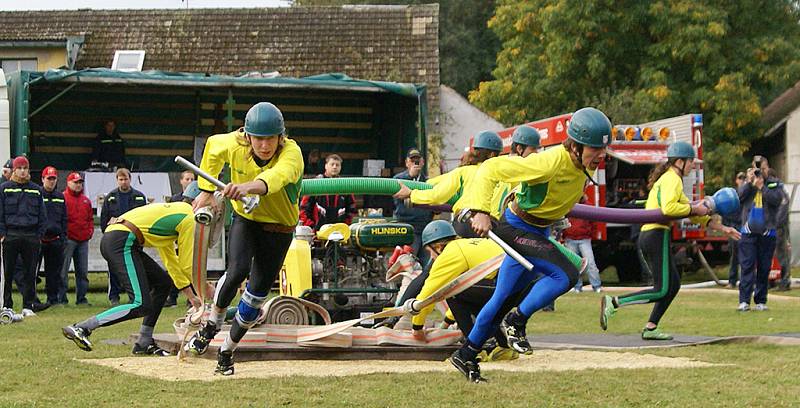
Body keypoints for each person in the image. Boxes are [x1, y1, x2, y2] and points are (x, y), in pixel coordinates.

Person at [449, 108, 609, 382]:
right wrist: (480, 210)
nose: (601, 155)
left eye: (603, 148)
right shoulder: (547, 162)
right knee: (566, 274)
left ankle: (466, 355)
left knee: (501, 300)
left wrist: (558, 218)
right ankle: (516, 321)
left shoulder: (582, 165)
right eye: (595, 149)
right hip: (517, 227)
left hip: (539, 229)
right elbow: (491, 168)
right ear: (575, 145)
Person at [186, 102, 303, 376]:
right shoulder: (233, 143)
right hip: (246, 220)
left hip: (279, 229)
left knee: (257, 295)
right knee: (237, 270)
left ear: (280, 137)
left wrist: (246, 187)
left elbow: (276, 178)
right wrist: (205, 190)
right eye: (258, 138)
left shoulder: (292, 153)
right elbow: (213, 148)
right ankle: (211, 324)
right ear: (247, 136)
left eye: (270, 139)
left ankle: (227, 350)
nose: (264, 145)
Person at [600, 142, 740, 338]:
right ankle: (614, 302)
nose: (692, 166)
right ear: (680, 161)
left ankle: (651, 327)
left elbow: (692, 214)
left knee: (673, 285)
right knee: (661, 289)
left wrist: (722, 228)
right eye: (691, 161)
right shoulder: (672, 179)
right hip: (656, 234)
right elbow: (669, 209)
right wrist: (694, 208)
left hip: (652, 235)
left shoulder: (671, 179)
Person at [62, 183, 205, 355]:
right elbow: (187, 264)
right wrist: (205, 288)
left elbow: (172, 263)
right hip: (122, 241)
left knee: (162, 283)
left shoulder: (174, 213)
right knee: (140, 303)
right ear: (199, 201)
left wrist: (191, 296)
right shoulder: (189, 217)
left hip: (119, 239)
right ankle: (82, 328)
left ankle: (144, 341)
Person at [394, 131, 503, 238]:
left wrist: (412, 194)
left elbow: (437, 194)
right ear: (493, 154)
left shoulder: (463, 171)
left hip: (465, 223)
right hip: (491, 228)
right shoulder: (504, 176)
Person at [0, 156, 49, 313]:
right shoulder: (4, 188)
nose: (22, 171)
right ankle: (7, 304)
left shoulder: (36, 190)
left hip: (31, 236)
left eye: (25, 168)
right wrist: (2, 234)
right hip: (11, 234)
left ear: (29, 170)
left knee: (30, 273)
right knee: (7, 272)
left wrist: (39, 235)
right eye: (19, 168)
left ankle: (28, 305)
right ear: (14, 170)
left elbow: (43, 215)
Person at [736, 156, 784, 311]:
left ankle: (761, 301)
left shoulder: (774, 183)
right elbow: (739, 197)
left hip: (767, 231)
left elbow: (777, 199)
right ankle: (744, 301)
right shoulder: (748, 183)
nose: (759, 171)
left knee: (764, 268)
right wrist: (750, 183)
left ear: (767, 168)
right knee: (747, 266)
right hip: (748, 231)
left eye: (762, 168)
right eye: (756, 168)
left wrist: (762, 187)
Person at [100, 168, 147, 306]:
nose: (123, 182)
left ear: (130, 179)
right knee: (114, 268)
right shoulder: (111, 197)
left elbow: (144, 217)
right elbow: (104, 220)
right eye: (120, 179)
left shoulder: (139, 196)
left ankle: (135, 296)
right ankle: (114, 296)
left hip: (134, 238)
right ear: (117, 180)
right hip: (116, 240)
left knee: (135, 268)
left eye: (125, 179)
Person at [392, 148, 434, 266]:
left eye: (418, 160)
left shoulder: (428, 181)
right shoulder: (398, 180)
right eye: (412, 160)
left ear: (423, 162)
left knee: (427, 265)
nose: (415, 163)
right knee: (407, 264)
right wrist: (411, 177)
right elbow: (397, 201)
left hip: (426, 228)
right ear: (407, 163)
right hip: (408, 228)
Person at [58, 172, 94, 306]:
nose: (78, 185)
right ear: (68, 183)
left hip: (83, 240)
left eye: (80, 182)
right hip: (68, 239)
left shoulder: (86, 200)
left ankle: (82, 298)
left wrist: (89, 232)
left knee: (82, 271)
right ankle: (61, 298)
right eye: (75, 182)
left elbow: (90, 219)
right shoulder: (63, 198)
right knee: (63, 271)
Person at [299, 154, 357, 231]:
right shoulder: (315, 183)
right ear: (326, 166)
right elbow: (303, 208)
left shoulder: (345, 185)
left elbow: (352, 208)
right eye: (332, 164)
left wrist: (345, 226)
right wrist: (311, 227)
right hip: (317, 234)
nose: (334, 167)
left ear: (340, 167)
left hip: (339, 233)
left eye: (337, 165)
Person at [165, 170, 196, 306]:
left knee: (192, 267)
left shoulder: (200, 198)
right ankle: (172, 297)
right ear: (181, 181)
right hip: (177, 238)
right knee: (174, 267)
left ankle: (193, 298)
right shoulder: (174, 199)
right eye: (187, 179)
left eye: (192, 179)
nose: (189, 182)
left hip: (192, 238)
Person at [40, 166, 67, 306]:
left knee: (54, 273)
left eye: (53, 179)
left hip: (55, 240)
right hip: (39, 239)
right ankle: (31, 299)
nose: (51, 181)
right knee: (33, 271)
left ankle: (53, 299)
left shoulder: (60, 197)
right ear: (43, 179)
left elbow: (64, 218)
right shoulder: (37, 194)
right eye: (49, 179)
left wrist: (63, 238)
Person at [564, 196, 602, 293]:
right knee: (582, 264)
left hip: (581, 238)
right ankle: (593, 286)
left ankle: (589, 286)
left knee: (585, 264)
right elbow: (594, 223)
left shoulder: (568, 205)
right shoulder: (587, 207)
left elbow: (593, 223)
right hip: (574, 238)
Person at [723, 172, 746, 288]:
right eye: (740, 178)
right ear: (736, 180)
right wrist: (727, 226)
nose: (742, 180)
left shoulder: (748, 194)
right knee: (734, 256)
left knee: (746, 256)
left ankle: (745, 281)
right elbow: (726, 211)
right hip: (734, 227)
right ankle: (732, 281)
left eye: (744, 178)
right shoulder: (732, 195)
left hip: (744, 227)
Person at [771, 168, 792, 291]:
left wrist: (776, 224)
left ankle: (785, 281)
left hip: (780, 227)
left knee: (782, 254)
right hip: (775, 226)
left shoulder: (779, 192)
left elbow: (781, 211)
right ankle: (772, 279)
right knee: (773, 254)